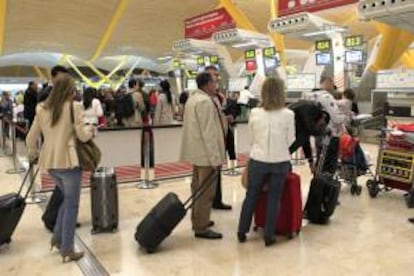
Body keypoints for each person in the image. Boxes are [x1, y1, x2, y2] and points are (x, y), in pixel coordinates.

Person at [26, 74, 96, 262]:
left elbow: (31, 137)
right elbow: (82, 136)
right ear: (69, 89)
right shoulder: (74, 106)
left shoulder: (41, 108)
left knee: (67, 200)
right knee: (72, 205)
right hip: (69, 162)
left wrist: (32, 154)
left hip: (50, 163)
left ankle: (58, 239)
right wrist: (92, 130)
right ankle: (67, 249)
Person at [237, 77, 295, 247]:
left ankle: (242, 231)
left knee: (251, 196)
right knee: (274, 198)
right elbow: (290, 140)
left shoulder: (255, 112)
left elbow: (251, 137)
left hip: (258, 159)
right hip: (280, 161)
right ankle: (269, 235)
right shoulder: (289, 114)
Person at [180, 72, 226, 240]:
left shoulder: (192, 99)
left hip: (197, 153)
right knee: (206, 193)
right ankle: (201, 227)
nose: (216, 85)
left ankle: (198, 220)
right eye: (214, 82)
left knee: (197, 189)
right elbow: (209, 133)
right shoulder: (205, 102)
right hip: (206, 156)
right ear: (206, 84)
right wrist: (215, 159)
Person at [303, 76, 347, 174]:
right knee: (330, 163)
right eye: (332, 84)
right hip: (330, 135)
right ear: (328, 82)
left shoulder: (309, 96)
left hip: (317, 133)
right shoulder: (327, 97)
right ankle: (326, 185)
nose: (332, 86)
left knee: (320, 159)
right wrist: (346, 117)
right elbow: (336, 118)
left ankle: (318, 184)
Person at [205, 65, 232, 210]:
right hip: (211, 141)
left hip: (221, 138)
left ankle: (217, 200)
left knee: (217, 172)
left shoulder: (218, 96)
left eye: (217, 75)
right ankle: (207, 204)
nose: (216, 78)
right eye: (213, 75)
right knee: (207, 175)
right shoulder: (203, 99)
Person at [288, 100, 330, 173]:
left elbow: (306, 144)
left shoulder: (303, 129)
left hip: (283, 154)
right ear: (322, 117)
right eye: (321, 125)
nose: (320, 128)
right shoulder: (311, 109)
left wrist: (311, 163)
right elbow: (311, 130)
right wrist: (323, 133)